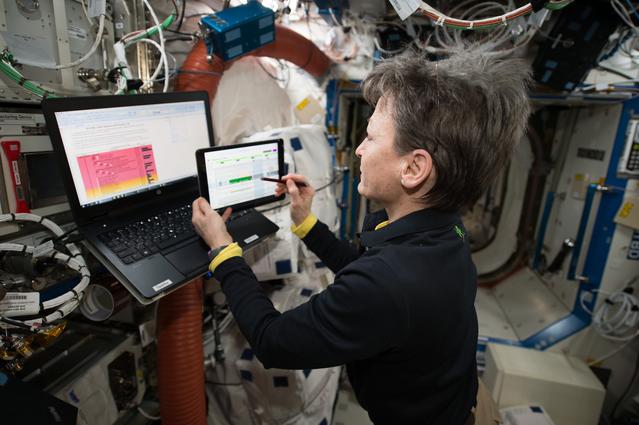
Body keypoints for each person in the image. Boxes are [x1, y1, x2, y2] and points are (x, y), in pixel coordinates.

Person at [191, 49, 531, 425]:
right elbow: (366, 270)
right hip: (464, 402)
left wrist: (223, 250)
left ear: (414, 168)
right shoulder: (445, 230)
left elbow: (273, 341)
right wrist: (306, 224)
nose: (359, 149)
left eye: (370, 138)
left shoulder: (389, 282)